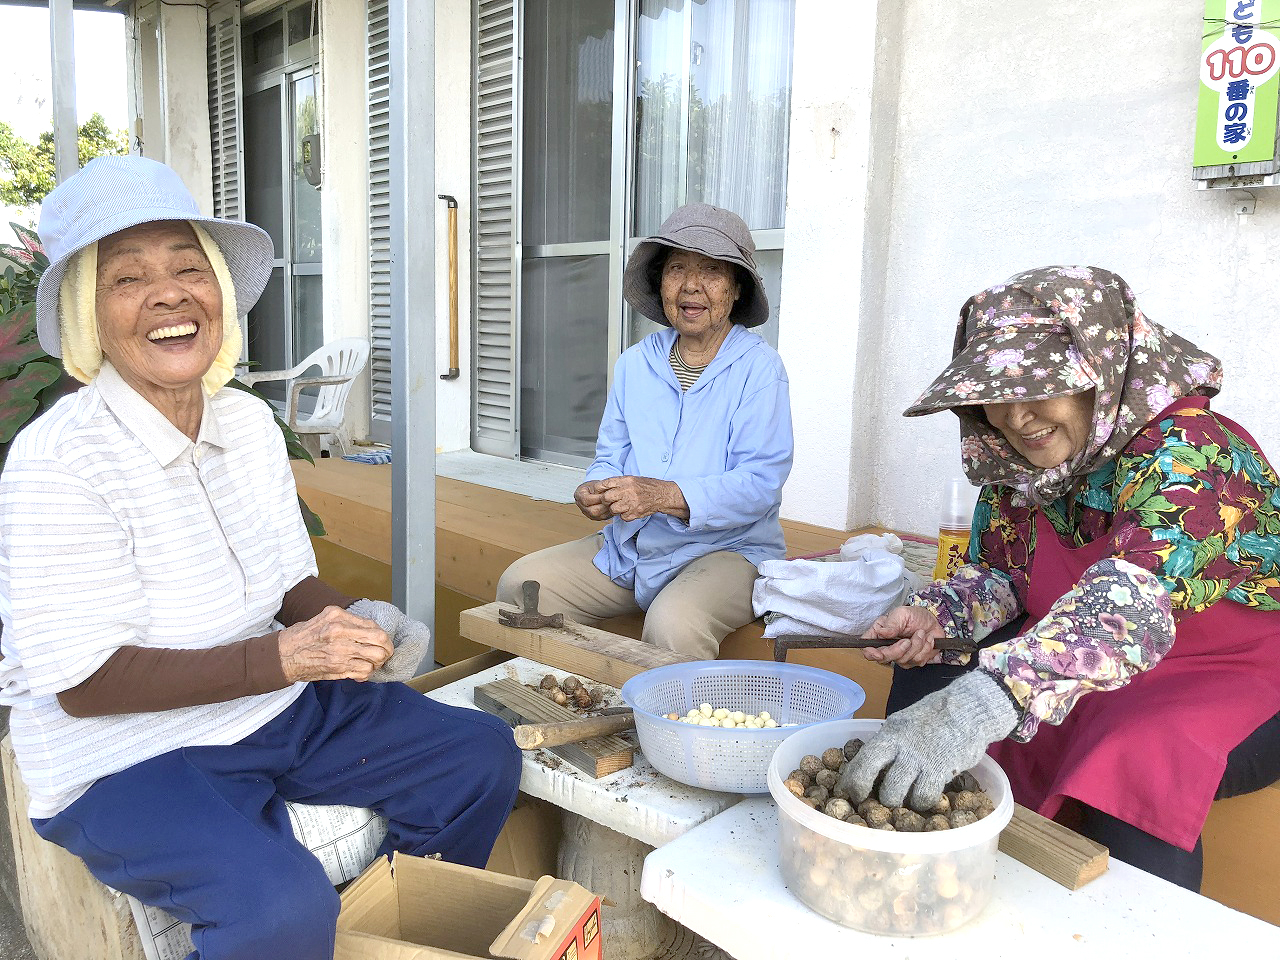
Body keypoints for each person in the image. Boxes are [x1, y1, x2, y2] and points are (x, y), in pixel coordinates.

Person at [0, 156, 521, 960]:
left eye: (187, 268)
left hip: (272, 709)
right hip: (122, 758)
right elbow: (84, 684)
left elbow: (287, 583)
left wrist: (351, 623)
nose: (169, 293)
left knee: (477, 754)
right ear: (84, 315)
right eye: (127, 279)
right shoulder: (57, 462)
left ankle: (392, 932)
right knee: (277, 907)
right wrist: (285, 656)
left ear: (218, 291)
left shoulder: (243, 423)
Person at [836, 265, 1280, 890]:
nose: (1017, 418)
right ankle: (927, 874)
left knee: (1133, 753)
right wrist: (939, 617)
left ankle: (1137, 931)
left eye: (1042, 387)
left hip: (1232, 668)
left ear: (1101, 371)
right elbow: (1000, 574)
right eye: (996, 393)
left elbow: (1127, 605)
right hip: (1076, 650)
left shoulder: (1193, 452)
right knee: (935, 675)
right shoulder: (1016, 467)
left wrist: (988, 701)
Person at [497, 204, 793, 660]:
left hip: (726, 551)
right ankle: (569, 702)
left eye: (711, 271)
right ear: (661, 283)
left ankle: (674, 731)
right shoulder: (637, 363)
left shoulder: (759, 369)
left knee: (675, 623)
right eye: (677, 269)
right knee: (522, 585)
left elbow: (759, 484)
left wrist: (663, 496)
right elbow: (610, 454)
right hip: (633, 548)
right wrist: (593, 488)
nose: (691, 285)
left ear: (736, 289)